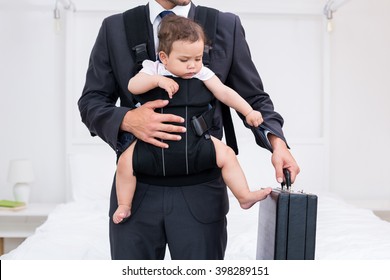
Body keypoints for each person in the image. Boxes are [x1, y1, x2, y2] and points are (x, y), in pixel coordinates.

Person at [78, 0, 300, 260]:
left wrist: (277, 143)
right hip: (136, 188)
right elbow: (91, 102)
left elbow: (253, 99)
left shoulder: (225, 25)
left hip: (202, 189)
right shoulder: (114, 27)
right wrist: (128, 119)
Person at [113, 15, 272, 224]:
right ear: (164, 57)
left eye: (197, 59)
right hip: (151, 143)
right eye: (184, 60)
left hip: (195, 141)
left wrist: (248, 111)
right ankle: (124, 204)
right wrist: (157, 81)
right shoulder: (153, 69)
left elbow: (224, 93)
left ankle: (243, 196)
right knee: (125, 162)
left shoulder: (202, 73)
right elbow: (133, 86)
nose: (192, 66)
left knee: (227, 154)